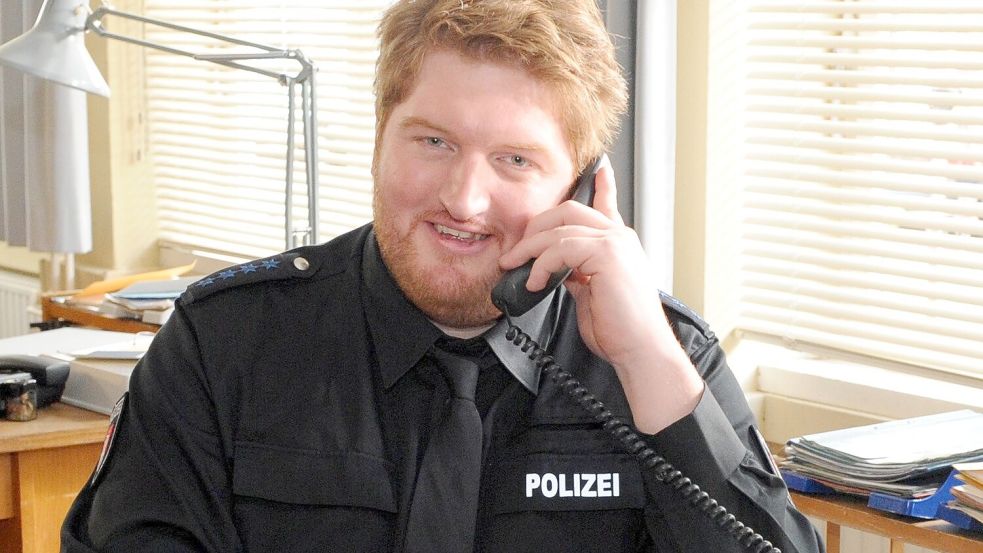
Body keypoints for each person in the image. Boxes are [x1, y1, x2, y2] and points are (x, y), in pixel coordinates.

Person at [62, 1, 824, 551]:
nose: (463, 197)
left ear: (584, 188)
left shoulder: (657, 357)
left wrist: (646, 363)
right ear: (378, 139)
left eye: (514, 160)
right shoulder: (227, 340)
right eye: (432, 140)